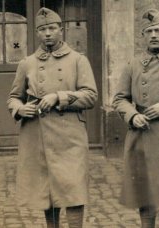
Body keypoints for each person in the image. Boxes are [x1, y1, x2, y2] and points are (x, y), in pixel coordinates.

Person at [7, 7, 97, 228]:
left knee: (73, 189)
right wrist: (19, 109)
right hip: (37, 136)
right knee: (46, 192)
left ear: (61, 30)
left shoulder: (78, 60)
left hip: (70, 136)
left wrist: (60, 97)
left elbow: (91, 96)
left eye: (52, 28)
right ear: (37, 33)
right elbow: (13, 97)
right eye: (42, 29)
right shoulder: (27, 63)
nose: (47, 33)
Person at [113, 8, 159, 228]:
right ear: (143, 36)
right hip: (142, 136)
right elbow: (119, 98)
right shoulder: (133, 65)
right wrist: (132, 115)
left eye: (158, 30)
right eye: (149, 31)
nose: (154, 35)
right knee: (146, 196)